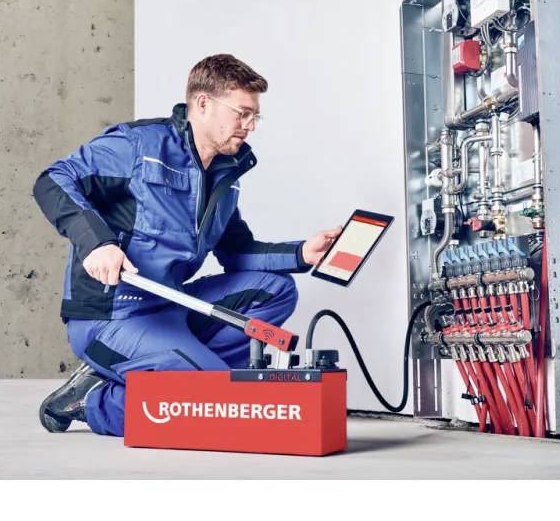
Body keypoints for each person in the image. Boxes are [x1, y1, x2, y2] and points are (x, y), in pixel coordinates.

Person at [32, 53, 341, 436]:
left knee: (276, 290)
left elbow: (235, 253)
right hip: (111, 317)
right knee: (218, 404)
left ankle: (193, 371)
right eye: (242, 113)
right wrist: (97, 243)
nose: (250, 126)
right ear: (203, 103)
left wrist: (301, 253)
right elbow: (54, 180)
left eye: (255, 116)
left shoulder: (224, 176)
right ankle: (94, 400)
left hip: (172, 307)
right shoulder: (137, 147)